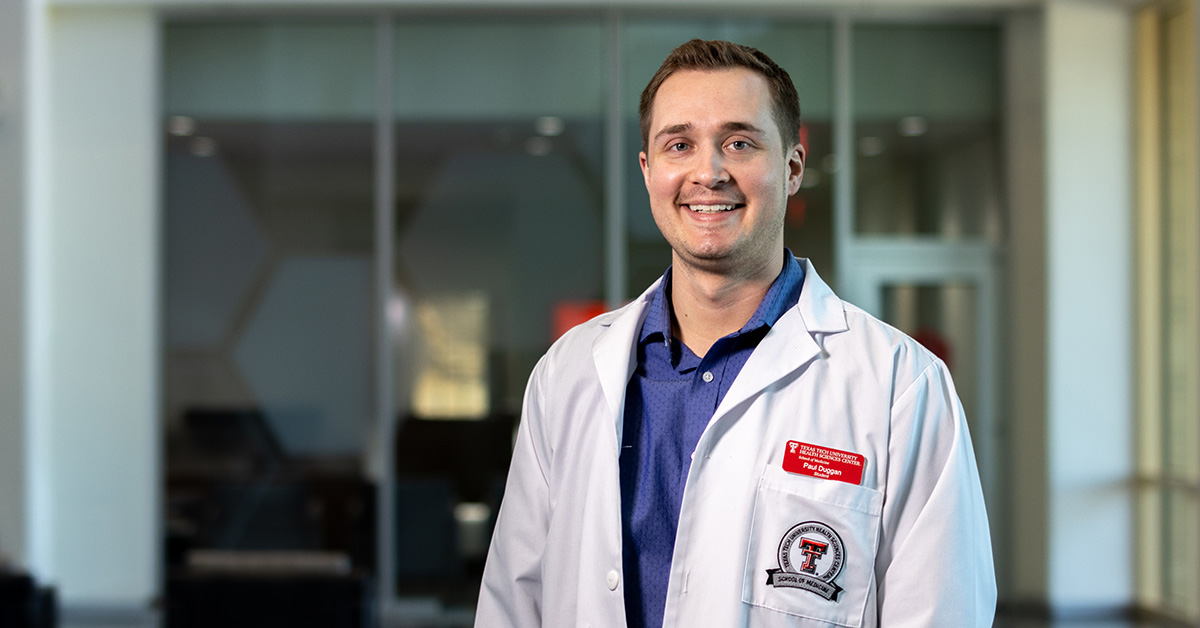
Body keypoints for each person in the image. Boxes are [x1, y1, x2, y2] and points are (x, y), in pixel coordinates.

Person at [475, 39, 995, 627]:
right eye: (679, 145)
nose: (708, 172)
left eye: (739, 143)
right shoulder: (566, 375)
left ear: (793, 167)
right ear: (648, 172)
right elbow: (514, 602)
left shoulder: (902, 387)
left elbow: (942, 612)